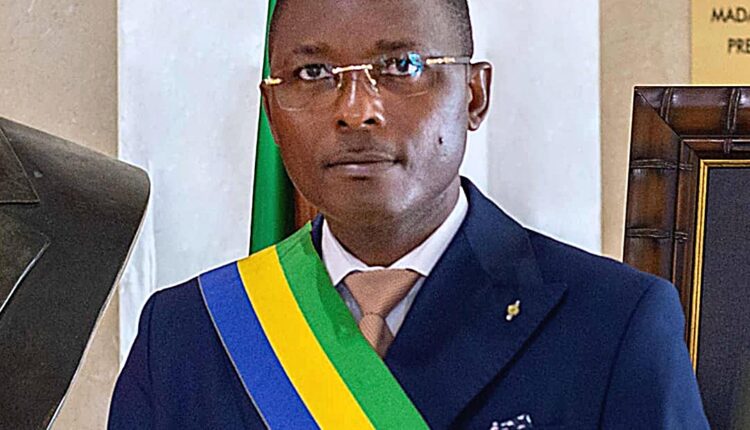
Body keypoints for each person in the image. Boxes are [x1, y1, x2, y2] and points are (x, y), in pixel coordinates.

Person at [109, 0, 709, 428]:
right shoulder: (188, 335)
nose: (355, 110)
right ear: (271, 112)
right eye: (313, 74)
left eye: (401, 66)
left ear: (474, 95)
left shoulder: (613, 323)